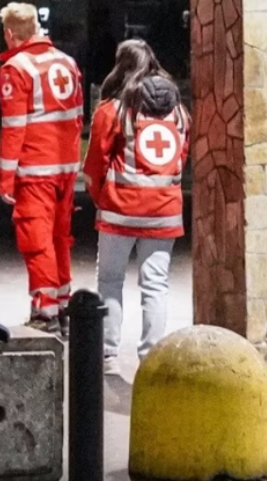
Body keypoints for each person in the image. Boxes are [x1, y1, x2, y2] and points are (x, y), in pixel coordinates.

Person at [82, 39, 189, 374]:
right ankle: (151, 360)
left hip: (119, 211)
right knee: (155, 285)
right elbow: (181, 159)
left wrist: (104, 199)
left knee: (110, 281)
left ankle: (108, 356)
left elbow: (95, 165)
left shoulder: (112, 110)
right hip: (164, 212)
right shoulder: (180, 113)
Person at [0, 2, 84, 336]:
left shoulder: (17, 68)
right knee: (60, 237)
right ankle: (62, 303)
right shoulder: (67, 62)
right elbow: (77, 118)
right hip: (65, 167)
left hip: (35, 169)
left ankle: (45, 309)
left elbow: (14, 127)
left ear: (9, 34)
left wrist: (6, 177)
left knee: (36, 239)